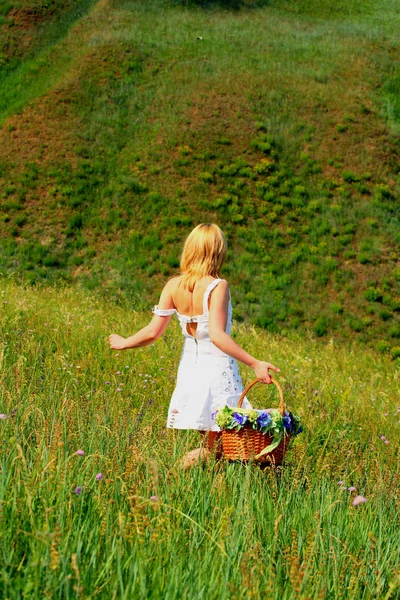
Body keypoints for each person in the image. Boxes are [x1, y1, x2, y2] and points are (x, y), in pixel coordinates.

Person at [108, 223, 279, 466]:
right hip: (217, 372)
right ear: (217, 251)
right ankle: (167, 479)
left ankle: (201, 488)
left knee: (217, 447)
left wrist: (125, 342)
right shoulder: (218, 286)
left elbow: (153, 332)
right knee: (214, 448)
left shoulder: (173, 285)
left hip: (190, 370)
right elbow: (218, 336)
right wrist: (255, 363)